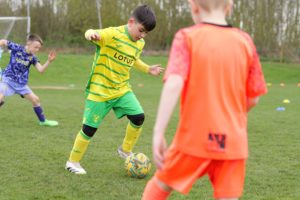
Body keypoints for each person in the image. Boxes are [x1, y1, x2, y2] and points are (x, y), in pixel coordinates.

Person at [142, 0, 268, 199]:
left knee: (160, 185)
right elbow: (253, 99)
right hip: (233, 143)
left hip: (193, 140)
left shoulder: (187, 37)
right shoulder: (246, 42)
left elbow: (174, 82)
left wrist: (159, 131)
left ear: (194, 7)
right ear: (230, 6)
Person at [65, 4, 164, 174]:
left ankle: (125, 150)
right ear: (131, 22)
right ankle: (72, 162)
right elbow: (90, 31)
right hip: (100, 91)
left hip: (122, 90)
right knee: (89, 129)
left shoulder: (139, 44)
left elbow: (134, 60)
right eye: (140, 30)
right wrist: (91, 35)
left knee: (138, 117)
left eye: (146, 33)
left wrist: (148, 69)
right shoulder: (112, 34)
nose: (142, 35)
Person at [0, 34, 58, 127]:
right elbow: (3, 41)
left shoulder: (33, 57)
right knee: (0, 97)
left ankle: (43, 121)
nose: (37, 50)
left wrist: (49, 61)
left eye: (39, 48)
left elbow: (41, 70)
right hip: (8, 80)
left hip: (21, 85)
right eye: (35, 47)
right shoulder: (17, 48)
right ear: (28, 43)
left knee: (36, 100)